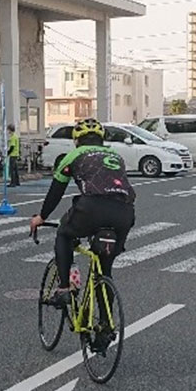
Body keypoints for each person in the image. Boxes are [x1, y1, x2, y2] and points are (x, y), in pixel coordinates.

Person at [29, 118, 135, 310]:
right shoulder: (116, 156)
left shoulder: (72, 156)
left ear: (76, 140)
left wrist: (41, 217)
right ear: (102, 140)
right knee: (105, 270)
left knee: (63, 233)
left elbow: (56, 192)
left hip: (92, 208)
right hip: (125, 212)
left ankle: (63, 289)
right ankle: (105, 325)